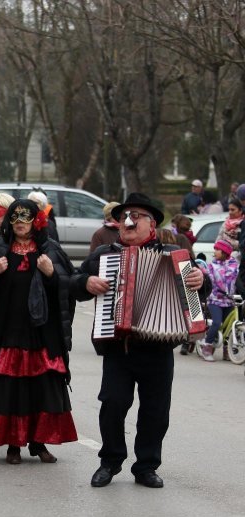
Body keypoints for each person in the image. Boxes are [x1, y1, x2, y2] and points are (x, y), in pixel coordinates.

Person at [72, 192, 207, 489]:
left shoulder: (175, 254)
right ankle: (109, 461)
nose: (128, 222)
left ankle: (146, 466)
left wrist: (201, 279)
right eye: (124, 217)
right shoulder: (104, 254)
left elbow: (198, 290)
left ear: (152, 225)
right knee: (112, 404)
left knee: (156, 411)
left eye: (136, 217)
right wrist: (86, 282)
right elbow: (74, 284)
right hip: (118, 347)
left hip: (158, 349)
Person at [0, 199, 77, 464]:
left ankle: (38, 442)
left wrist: (51, 276)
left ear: (36, 222)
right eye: (15, 218)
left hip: (41, 333)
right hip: (8, 332)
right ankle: (13, 445)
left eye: (26, 218)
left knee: (42, 388)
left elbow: (68, 290)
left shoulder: (51, 250)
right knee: (11, 390)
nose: (21, 224)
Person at [198, 240, 238, 362]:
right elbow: (211, 283)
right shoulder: (212, 266)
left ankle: (227, 350)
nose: (214, 252)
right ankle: (207, 346)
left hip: (230, 300)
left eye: (217, 249)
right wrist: (217, 292)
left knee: (231, 326)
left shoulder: (234, 265)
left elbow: (237, 281)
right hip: (215, 300)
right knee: (217, 323)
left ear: (224, 252)